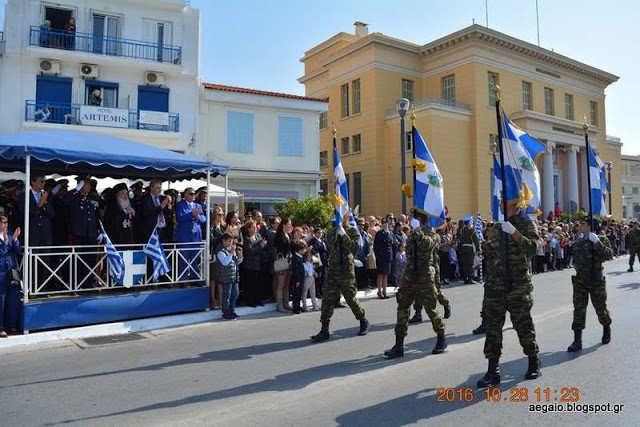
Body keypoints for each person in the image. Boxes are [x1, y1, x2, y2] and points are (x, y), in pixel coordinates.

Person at [477, 206, 541, 388]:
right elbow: (491, 252)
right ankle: (493, 370)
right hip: (496, 285)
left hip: (518, 283)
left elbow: (533, 248)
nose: (504, 206)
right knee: (493, 328)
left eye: (508, 203)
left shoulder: (527, 224)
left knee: (523, 324)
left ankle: (533, 360)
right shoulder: (498, 226)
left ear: (517, 204)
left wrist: (515, 233)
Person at [384, 211, 447, 358]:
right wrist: (403, 277)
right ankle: (399, 345)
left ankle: (441, 338)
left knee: (430, 309)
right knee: (402, 308)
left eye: (412, 217)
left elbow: (427, 245)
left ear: (419, 219)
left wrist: (418, 230)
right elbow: (409, 256)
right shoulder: (412, 235)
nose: (409, 219)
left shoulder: (431, 234)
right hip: (410, 276)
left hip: (425, 276)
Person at [310, 219, 369, 342]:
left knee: (350, 298)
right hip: (333, 270)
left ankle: (363, 320)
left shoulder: (353, 231)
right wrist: (337, 233)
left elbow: (354, 248)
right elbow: (331, 245)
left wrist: (344, 235)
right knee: (327, 299)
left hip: (346, 271)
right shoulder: (331, 233)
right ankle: (324, 329)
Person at [567, 218, 613, 352]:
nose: (580, 225)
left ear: (590, 227)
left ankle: (606, 328)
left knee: (600, 308)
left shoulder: (601, 240)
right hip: (580, 281)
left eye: (583, 224)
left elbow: (608, 255)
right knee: (579, 310)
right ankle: (577, 341)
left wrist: (597, 243)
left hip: (596, 281)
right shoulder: (578, 242)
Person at [175, 188, 206, 281]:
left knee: (195, 259)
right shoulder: (180, 205)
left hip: (196, 236)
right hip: (185, 236)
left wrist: (197, 216)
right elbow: (179, 218)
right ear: (185, 195)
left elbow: (204, 219)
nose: (193, 196)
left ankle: (194, 278)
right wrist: (192, 214)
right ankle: (182, 279)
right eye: (190, 194)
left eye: (194, 194)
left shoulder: (197, 205)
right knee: (184, 259)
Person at [0, 216, 20, 337]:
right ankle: (1, 327)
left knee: (13, 298)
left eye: (6, 222)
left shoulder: (11, 235)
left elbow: (17, 250)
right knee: (1, 299)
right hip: (1, 270)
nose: (4, 225)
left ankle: (11, 325)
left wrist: (15, 239)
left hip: (10, 270)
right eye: (2, 222)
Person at [216, 232, 243, 320]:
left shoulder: (232, 251)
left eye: (232, 242)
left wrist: (240, 255)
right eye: (229, 241)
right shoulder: (221, 251)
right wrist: (231, 254)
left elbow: (237, 262)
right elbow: (225, 262)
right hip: (226, 277)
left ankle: (232, 310)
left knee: (235, 294)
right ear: (224, 241)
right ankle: (225, 313)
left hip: (234, 276)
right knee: (227, 295)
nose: (230, 243)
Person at [240, 219, 266, 307]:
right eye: (253, 227)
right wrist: (260, 246)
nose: (255, 229)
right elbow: (250, 251)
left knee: (259, 283)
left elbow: (262, 246)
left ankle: (258, 299)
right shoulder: (247, 239)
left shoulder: (258, 236)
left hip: (259, 263)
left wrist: (262, 246)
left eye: (255, 227)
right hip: (250, 265)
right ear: (248, 229)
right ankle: (251, 301)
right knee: (251, 284)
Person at [274, 218, 293, 312]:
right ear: (283, 225)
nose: (290, 226)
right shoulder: (279, 235)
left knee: (287, 284)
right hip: (281, 260)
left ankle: (286, 303)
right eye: (288, 224)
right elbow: (284, 247)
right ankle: (279, 305)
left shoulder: (289, 235)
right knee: (281, 284)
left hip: (289, 261)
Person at [209, 206, 226, 308]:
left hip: (223, 254)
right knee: (213, 279)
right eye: (219, 214)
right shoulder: (212, 227)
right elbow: (211, 241)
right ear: (214, 215)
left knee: (220, 279)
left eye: (222, 214)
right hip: (214, 254)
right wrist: (222, 236)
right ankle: (213, 300)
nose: (221, 216)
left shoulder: (223, 227)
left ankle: (220, 299)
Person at [374, 217, 393, 298]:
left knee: (386, 274)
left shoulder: (389, 233)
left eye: (386, 223)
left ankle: (384, 292)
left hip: (388, 256)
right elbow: (376, 246)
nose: (385, 225)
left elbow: (390, 244)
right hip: (381, 256)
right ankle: (379, 291)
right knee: (380, 274)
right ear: (382, 224)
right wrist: (379, 255)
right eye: (384, 223)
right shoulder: (379, 233)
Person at [458, 216, 480, 284]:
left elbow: (460, 241)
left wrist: (459, 250)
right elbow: (476, 240)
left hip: (463, 249)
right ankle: (470, 278)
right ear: (469, 223)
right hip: (470, 249)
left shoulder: (461, 231)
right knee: (470, 264)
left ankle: (465, 279)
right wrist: (478, 249)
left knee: (464, 264)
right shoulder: (472, 230)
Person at [290, 239, 307, 314]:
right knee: (296, 293)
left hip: (301, 278)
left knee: (300, 292)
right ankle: (295, 308)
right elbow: (295, 270)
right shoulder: (295, 258)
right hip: (298, 279)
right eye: (303, 249)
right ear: (299, 250)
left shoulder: (300, 257)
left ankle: (298, 305)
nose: (304, 251)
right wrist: (297, 280)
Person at [355, 218, 371, 289]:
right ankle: (356, 286)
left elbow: (368, 243)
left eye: (363, 225)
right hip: (357, 256)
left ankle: (362, 285)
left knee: (363, 271)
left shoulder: (364, 234)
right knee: (356, 272)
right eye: (360, 225)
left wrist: (367, 252)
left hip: (363, 255)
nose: (361, 226)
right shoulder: (355, 233)